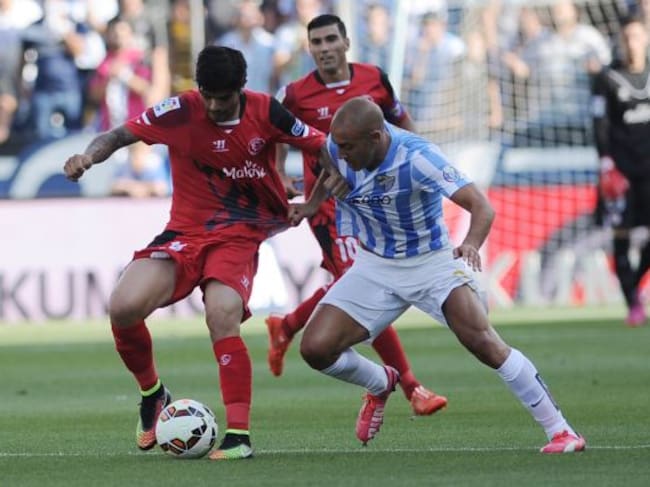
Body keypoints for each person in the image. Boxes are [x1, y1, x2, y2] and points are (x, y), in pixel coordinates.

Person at [63, 45, 330, 460]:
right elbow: (118, 136)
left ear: (241, 89)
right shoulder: (180, 110)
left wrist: (312, 203)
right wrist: (88, 158)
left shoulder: (267, 111)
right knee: (123, 307)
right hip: (185, 232)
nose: (212, 104)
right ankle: (153, 394)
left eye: (221, 98)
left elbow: (326, 147)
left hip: (239, 233)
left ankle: (238, 436)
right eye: (206, 94)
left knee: (221, 313)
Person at [289, 96, 586, 453]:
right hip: (375, 265)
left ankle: (562, 431)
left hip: (430, 262)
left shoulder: (418, 157)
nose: (341, 154)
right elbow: (326, 167)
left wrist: (472, 243)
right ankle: (381, 382)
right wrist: (311, 203)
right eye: (338, 146)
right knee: (315, 349)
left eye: (349, 147)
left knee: (484, 343)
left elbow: (482, 206)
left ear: (376, 137)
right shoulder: (339, 149)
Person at [266, 13, 447, 417]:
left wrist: (421, 162)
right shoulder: (295, 94)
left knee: (357, 281)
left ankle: (289, 324)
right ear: (309, 48)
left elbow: (401, 122)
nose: (325, 48)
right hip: (328, 203)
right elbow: (276, 133)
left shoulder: (375, 79)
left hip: (378, 198)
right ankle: (411, 386)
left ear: (346, 42)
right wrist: (280, 176)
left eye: (331, 39)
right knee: (358, 279)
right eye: (317, 42)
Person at [591, 15, 650, 327]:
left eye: (637, 37)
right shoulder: (607, 77)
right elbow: (599, 123)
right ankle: (632, 304)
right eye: (627, 37)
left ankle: (637, 287)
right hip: (622, 174)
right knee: (622, 238)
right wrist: (606, 164)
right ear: (620, 40)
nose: (632, 43)